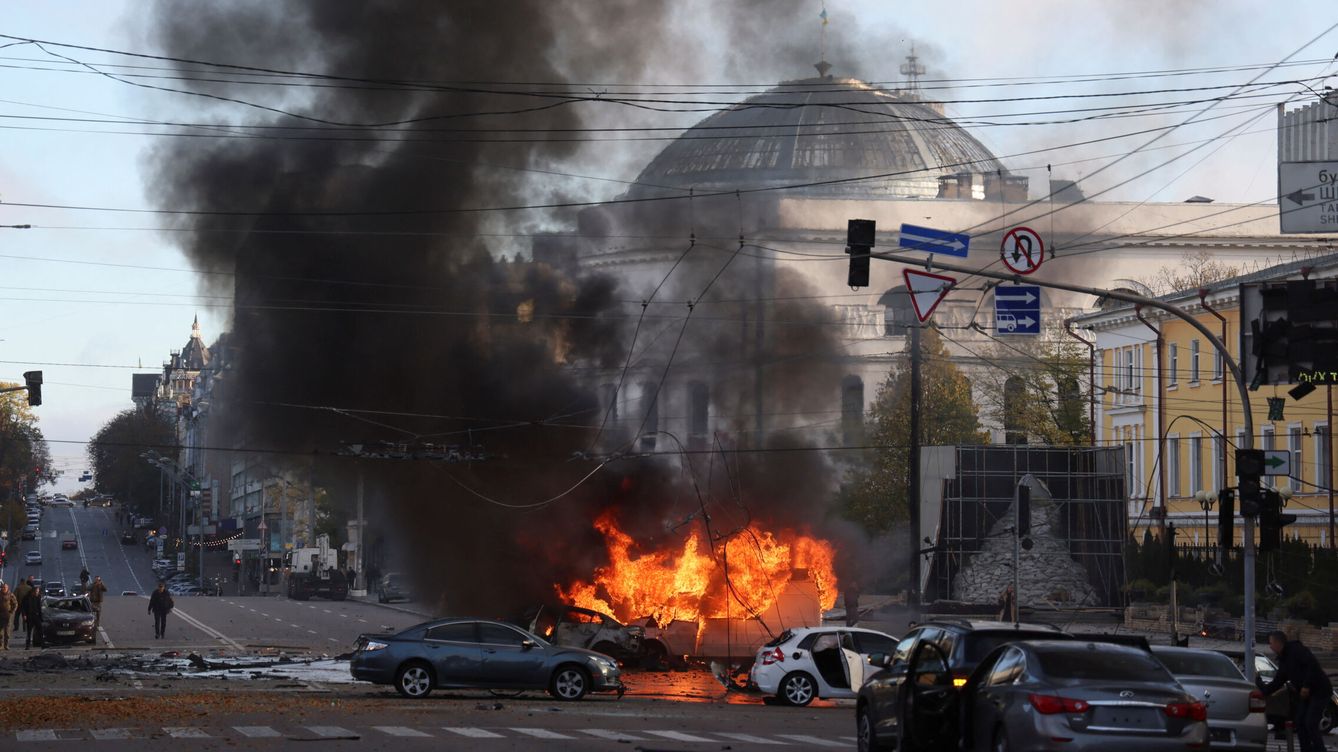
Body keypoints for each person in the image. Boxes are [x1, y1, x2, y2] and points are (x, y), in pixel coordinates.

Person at [1259, 630, 1332, 752]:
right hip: (1305, 695)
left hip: (1320, 690)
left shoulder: (1296, 650)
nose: (1270, 646)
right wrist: (1263, 691)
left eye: (1271, 643)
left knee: (1310, 722)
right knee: (1300, 722)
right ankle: (1306, 749)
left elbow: (1312, 665)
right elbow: (1278, 682)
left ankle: (1320, 749)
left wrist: (1307, 685)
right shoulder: (1283, 661)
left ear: (1278, 642)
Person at [21, 584, 43, 649]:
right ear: (33, 591)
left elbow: (39, 607)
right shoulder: (26, 597)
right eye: (36, 591)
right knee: (29, 632)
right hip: (29, 616)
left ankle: (42, 644)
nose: (37, 593)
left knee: (40, 630)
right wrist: (24, 615)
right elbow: (23, 607)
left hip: (36, 616)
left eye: (38, 591)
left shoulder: (38, 597)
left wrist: (41, 617)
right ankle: (27, 645)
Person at [0, 583, 16, 650]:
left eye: (5, 587)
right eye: (3, 587)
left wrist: (12, 611)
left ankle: (6, 645)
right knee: (0, 632)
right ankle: (1, 645)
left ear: (7, 588)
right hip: (0, 615)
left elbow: (15, 604)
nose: (4, 588)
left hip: (8, 615)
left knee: (7, 632)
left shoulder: (10, 595)